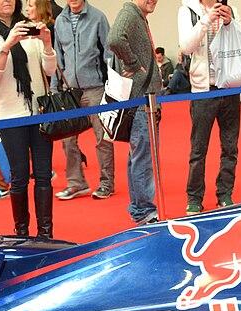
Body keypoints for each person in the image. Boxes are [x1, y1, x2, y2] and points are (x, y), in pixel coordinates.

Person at [0, 0, 59, 237]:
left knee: (44, 175)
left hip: (39, 111)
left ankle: (45, 234)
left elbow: (50, 70)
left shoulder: (29, 26)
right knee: (19, 177)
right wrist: (7, 45)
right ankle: (22, 235)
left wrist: (47, 43)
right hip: (9, 116)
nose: (7, 0)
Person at [180, 0, 241, 212]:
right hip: (203, 90)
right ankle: (194, 198)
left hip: (229, 87)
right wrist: (207, 20)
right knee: (198, 149)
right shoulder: (187, 11)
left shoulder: (232, 10)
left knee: (230, 147)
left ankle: (225, 193)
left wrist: (230, 23)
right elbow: (186, 47)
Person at [53, 0, 113, 200]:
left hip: (95, 87)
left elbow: (109, 54)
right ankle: (76, 183)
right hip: (70, 91)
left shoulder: (98, 17)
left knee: (102, 138)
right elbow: (57, 58)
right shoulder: (60, 21)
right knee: (67, 140)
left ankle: (106, 183)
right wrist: (54, 87)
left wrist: (113, 84)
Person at [109, 0, 161, 224]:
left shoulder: (136, 16)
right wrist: (132, 64)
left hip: (142, 98)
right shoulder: (130, 14)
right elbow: (114, 39)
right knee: (143, 157)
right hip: (141, 99)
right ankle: (144, 210)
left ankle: (140, 208)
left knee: (138, 156)